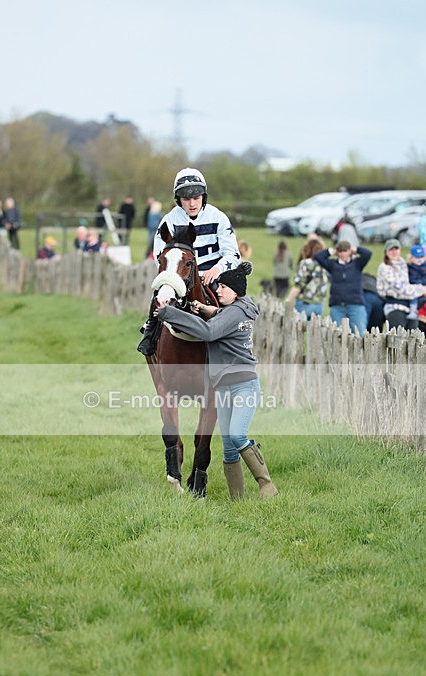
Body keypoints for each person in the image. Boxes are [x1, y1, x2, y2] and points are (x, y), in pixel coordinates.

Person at [155, 262, 278, 500]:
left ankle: (266, 485)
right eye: (218, 286)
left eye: (222, 287)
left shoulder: (234, 313)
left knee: (237, 436)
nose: (218, 290)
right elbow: (219, 314)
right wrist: (202, 307)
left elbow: (210, 331)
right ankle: (238, 500)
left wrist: (170, 314)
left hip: (243, 384)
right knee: (230, 449)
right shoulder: (240, 308)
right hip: (223, 387)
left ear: (235, 291)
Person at [137, 168, 240, 356]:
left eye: (196, 197)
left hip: (213, 276)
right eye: (186, 199)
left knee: (234, 307)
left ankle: (237, 348)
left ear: (204, 196)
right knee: (159, 299)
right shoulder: (168, 221)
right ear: (178, 200)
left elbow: (233, 254)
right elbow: (160, 256)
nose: (192, 203)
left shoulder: (218, 218)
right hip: (179, 278)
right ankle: (150, 335)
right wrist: (175, 280)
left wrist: (217, 269)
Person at [313, 240, 372, 335]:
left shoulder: (357, 264)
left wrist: (355, 250)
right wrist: (331, 251)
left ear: (349, 252)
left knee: (359, 333)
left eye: (345, 251)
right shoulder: (332, 265)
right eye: (341, 252)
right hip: (337, 306)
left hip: (355, 305)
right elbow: (318, 256)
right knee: (338, 335)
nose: (343, 254)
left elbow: (367, 254)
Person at [376, 239, 426, 331]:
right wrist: (422, 290)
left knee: (412, 341)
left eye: (396, 249)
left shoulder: (403, 264)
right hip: (394, 308)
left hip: (410, 308)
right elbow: (401, 289)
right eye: (391, 249)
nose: (394, 252)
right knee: (397, 341)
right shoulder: (384, 267)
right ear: (386, 252)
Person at [286, 239, 327, 319]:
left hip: (304, 303)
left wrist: (288, 300)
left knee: (297, 328)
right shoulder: (325, 264)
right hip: (319, 305)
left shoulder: (305, 263)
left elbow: (298, 285)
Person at [406, 244, 426, 321]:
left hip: (422, 287)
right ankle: (412, 310)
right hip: (413, 288)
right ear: (411, 258)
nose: (419, 259)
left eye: (421, 257)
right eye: (417, 257)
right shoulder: (409, 267)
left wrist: (420, 284)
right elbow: (410, 279)